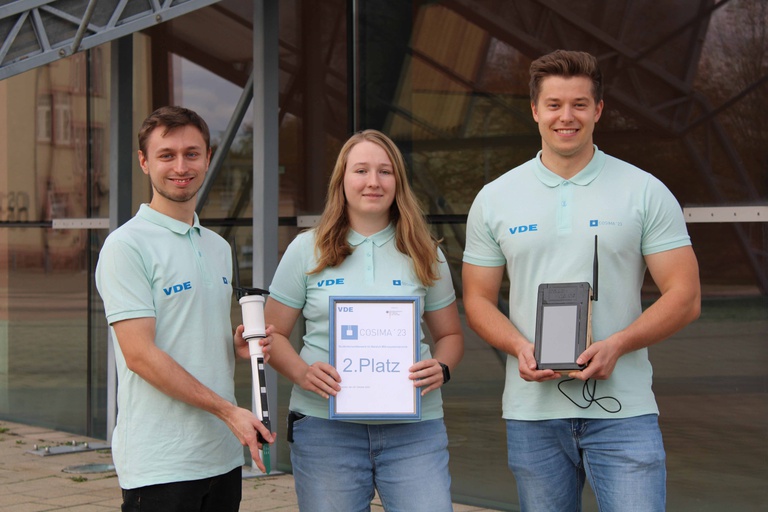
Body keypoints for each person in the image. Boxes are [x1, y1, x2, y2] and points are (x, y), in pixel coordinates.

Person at [462, 50, 701, 511]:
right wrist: (517, 347)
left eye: (578, 104)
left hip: (623, 411)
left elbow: (685, 297)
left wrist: (618, 344)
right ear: (535, 110)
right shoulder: (495, 199)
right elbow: (477, 300)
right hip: (532, 413)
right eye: (553, 105)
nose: (565, 117)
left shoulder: (644, 191)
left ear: (598, 110)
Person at [264, 129, 464, 511]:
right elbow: (272, 336)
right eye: (361, 170)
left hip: (414, 430)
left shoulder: (425, 252)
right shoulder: (307, 249)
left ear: (398, 182)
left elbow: (451, 334)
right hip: (325, 429)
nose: (373, 181)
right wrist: (303, 373)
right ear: (342, 180)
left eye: (385, 171)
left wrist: (443, 367)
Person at [95, 106, 274, 512]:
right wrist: (229, 411)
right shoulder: (126, 246)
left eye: (192, 154)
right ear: (144, 162)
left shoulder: (217, 246)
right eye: (166, 155)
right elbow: (140, 355)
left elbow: (190, 333)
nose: (181, 166)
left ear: (208, 157)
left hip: (221, 455)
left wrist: (235, 344)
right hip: (161, 462)